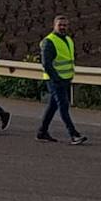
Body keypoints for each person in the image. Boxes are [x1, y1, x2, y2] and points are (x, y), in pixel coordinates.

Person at [38, 15, 87, 145]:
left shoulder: (68, 40)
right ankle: (73, 134)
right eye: (60, 25)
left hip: (65, 79)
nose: (63, 27)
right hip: (55, 80)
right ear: (54, 25)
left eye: (65, 25)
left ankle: (42, 132)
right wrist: (56, 79)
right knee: (63, 106)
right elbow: (46, 64)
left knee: (53, 106)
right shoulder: (49, 41)